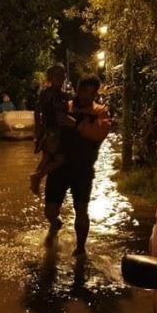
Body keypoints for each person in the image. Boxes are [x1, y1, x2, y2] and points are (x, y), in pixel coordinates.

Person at [44, 74, 111, 256]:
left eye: (91, 92)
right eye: (84, 91)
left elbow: (99, 133)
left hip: (83, 169)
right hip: (60, 167)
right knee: (49, 210)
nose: (87, 95)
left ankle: (80, 248)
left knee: (81, 210)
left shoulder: (100, 112)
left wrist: (76, 125)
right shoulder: (64, 108)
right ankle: (55, 224)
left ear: (96, 93)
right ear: (77, 90)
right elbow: (51, 134)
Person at [30, 65, 70, 195]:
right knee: (61, 159)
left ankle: (36, 180)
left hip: (52, 132)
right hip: (52, 132)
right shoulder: (49, 94)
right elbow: (38, 112)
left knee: (47, 158)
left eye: (63, 75)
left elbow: (37, 112)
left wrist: (38, 132)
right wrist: (38, 131)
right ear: (51, 78)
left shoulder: (59, 94)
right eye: (58, 76)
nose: (62, 78)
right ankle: (37, 176)